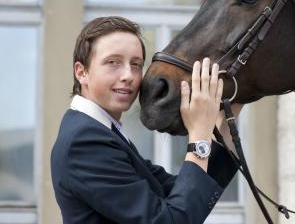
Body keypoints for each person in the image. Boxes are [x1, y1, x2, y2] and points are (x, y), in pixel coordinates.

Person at [51, 16, 242, 224]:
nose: (128, 75)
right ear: (82, 72)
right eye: (113, 62)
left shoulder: (103, 131)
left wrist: (230, 113)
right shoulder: (84, 141)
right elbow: (171, 220)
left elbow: (181, 195)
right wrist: (199, 135)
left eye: (136, 64)